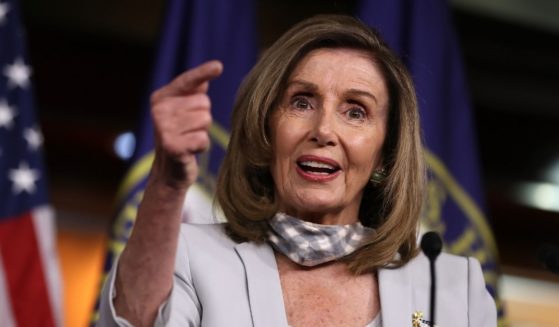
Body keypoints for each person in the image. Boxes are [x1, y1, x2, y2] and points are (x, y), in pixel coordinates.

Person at [97, 15, 497, 327]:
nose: (323, 130)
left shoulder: (451, 286)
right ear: (266, 130)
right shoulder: (189, 255)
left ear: (385, 154)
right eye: (302, 102)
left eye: (356, 111)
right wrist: (167, 184)